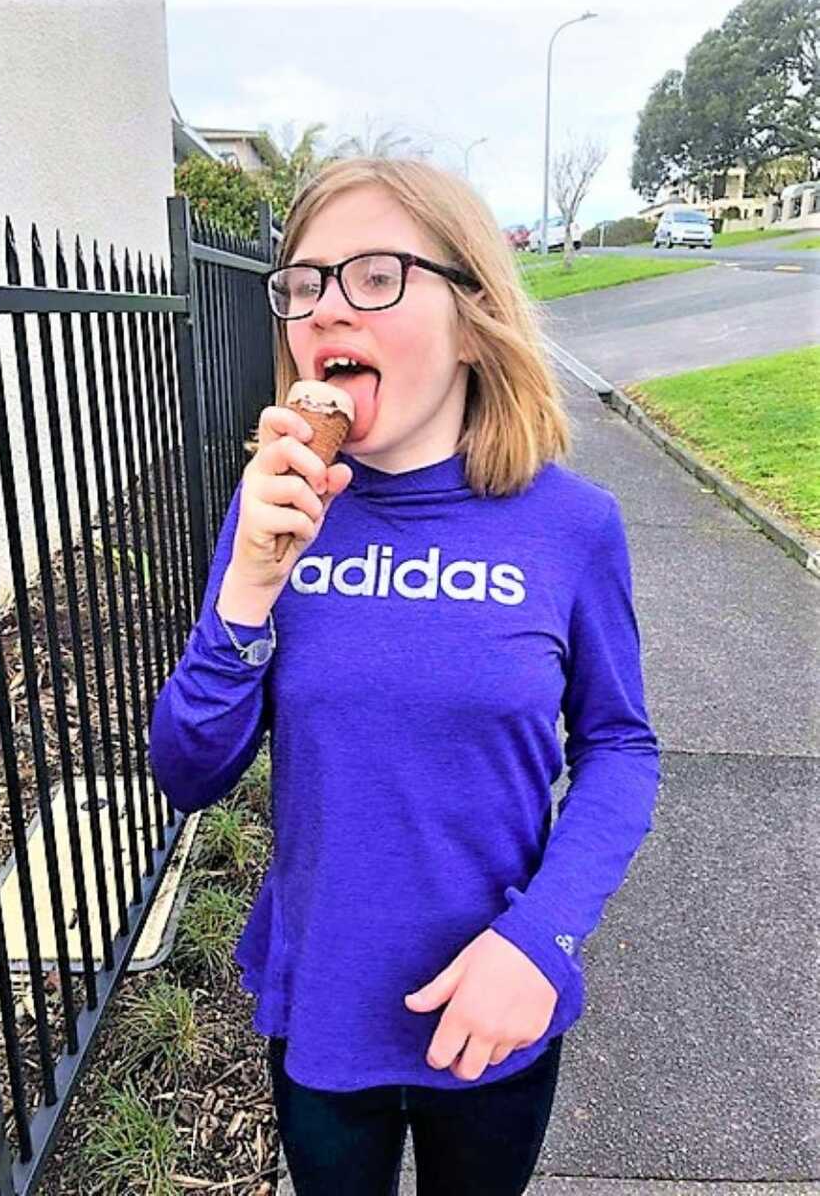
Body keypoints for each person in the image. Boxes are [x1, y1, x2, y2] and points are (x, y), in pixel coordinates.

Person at [148, 156, 661, 1195]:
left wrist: (542, 937)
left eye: (375, 275)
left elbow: (619, 747)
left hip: (492, 1002)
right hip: (324, 996)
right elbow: (189, 770)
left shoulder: (571, 526)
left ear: (471, 317)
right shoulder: (277, 512)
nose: (326, 309)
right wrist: (248, 585)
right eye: (304, 281)